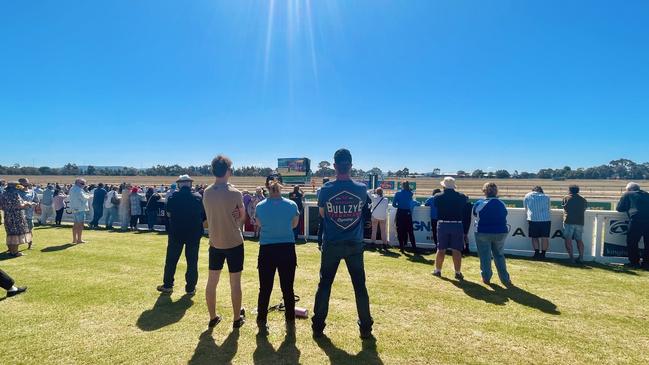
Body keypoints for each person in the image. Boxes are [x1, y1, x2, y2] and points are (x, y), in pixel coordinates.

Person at [312, 148, 373, 339]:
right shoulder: (361, 189)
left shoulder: (326, 190)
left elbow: (322, 214)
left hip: (332, 243)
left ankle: (318, 325)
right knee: (359, 286)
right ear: (351, 166)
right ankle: (365, 327)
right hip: (355, 243)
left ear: (335, 166)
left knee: (325, 285)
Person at [202, 155, 247, 329]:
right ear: (228, 171)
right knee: (235, 283)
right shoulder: (235, 193)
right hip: (234, 242)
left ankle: (213, 317)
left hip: (215, 243)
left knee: (212, 282)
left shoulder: (206, 192)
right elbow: (242, 218)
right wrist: (236, 214)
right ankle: (236, 319)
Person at [254, 177, 300, 332]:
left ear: (267, 188)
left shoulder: (260, 206)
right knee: (288, 288)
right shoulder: (291, 205)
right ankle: (290, 322)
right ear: (281, 188)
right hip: (286, 249)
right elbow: (294, 224)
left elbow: (259, 224)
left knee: (265, 288)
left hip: (267, 249)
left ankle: (261, 320)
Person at [157, 175, 206, 295]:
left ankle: (168, 285)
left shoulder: (173, 197)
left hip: (176, 233)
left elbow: (168, 213)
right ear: (190, 184)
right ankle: (190, 288)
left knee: (171, 260)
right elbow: (203, 216)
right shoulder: (198, 197)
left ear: (179, 184)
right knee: (192, 261)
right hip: (193, 234)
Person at [473, 183, 511, 285]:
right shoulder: (502, 203)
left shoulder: (479, 203)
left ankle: (486, 277)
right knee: (499, 255)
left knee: (485, 256)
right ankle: (505, 279)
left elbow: (475, 213)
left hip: (483, 232)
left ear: (484, 191)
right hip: (500, 232)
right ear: (496, 192)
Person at [432, 177, 468, 280]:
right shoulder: (461, 197)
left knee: (441, 249)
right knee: (456, 250)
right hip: (457, 225)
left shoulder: (438, 196)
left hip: (443, 225)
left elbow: (436, 204)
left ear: (443, 186)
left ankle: (438, 270)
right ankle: (457, 272)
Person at [616, 182, 649, 269]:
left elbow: (619, 208)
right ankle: (646, 264)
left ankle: (634, 263)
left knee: (632, 242)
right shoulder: (647, 194)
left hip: (637, 220)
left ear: (629, 189)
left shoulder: (628, 194)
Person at [0, 182, 35, 257]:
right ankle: (15, 252)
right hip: (16, 216)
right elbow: (19, 205)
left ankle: (11, 250)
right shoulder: (15, 194)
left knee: (10, 233)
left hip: (7, 216)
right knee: (16, 233)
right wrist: (27, 204)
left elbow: (1, 207)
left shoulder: (4, 194)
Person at [524, 186, 551, 259]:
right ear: (541, 190)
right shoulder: (546, 196)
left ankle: (536, 253)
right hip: (545, 219)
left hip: (533, 219)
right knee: (544, 238)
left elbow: (526, 208)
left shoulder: (527, 195)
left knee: (534, 237)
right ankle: (543, 254)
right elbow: (548, 208)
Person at [562, 185, 588, 263]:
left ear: (569, 190)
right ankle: (581, 257)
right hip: (580, 221)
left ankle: (572, 258)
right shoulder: (583, 199)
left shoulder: (566, 198)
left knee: (568, 240)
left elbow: (564, 207)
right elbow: (585, 208)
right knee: (579, 240)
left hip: (569, 221)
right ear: (578, 191)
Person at [392, 181, 417, 252]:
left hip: (400, 212)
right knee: (410, 231)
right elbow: (413, 202)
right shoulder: (411, 193)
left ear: (402, 186)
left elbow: (394, 204)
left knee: (400, 230)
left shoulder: (398, 193)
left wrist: (399, 206)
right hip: (408, 213)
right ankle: (414, 247)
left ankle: (402, 248)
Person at [17, 178, 38, 248]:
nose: (24, 185)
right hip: (18, 215)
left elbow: (36, 201)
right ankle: (14, 246)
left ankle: (30, 244)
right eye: (22, 184)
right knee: (16, 231)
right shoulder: (16, 192)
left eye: (26, 184)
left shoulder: (32, 192)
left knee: (29, 230)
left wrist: (33, 204)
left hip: (29, 215)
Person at [68, 178, 90, 244]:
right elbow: (83, 198)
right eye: (82, 183)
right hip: (80, 209)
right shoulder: (79, 190)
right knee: (80, 225)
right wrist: (88, 196)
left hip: (74, 208)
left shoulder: (72, 189)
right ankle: (79, 240)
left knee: (75, 224)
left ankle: (74, 239)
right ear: (77, 183)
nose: (84, 185)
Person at [316, 178, 330, 249]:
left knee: (321, 228)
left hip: (321, 210)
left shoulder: (319, 189)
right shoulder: (330, 189)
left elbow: (318, 200)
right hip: (329, 211)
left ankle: (319, 243)